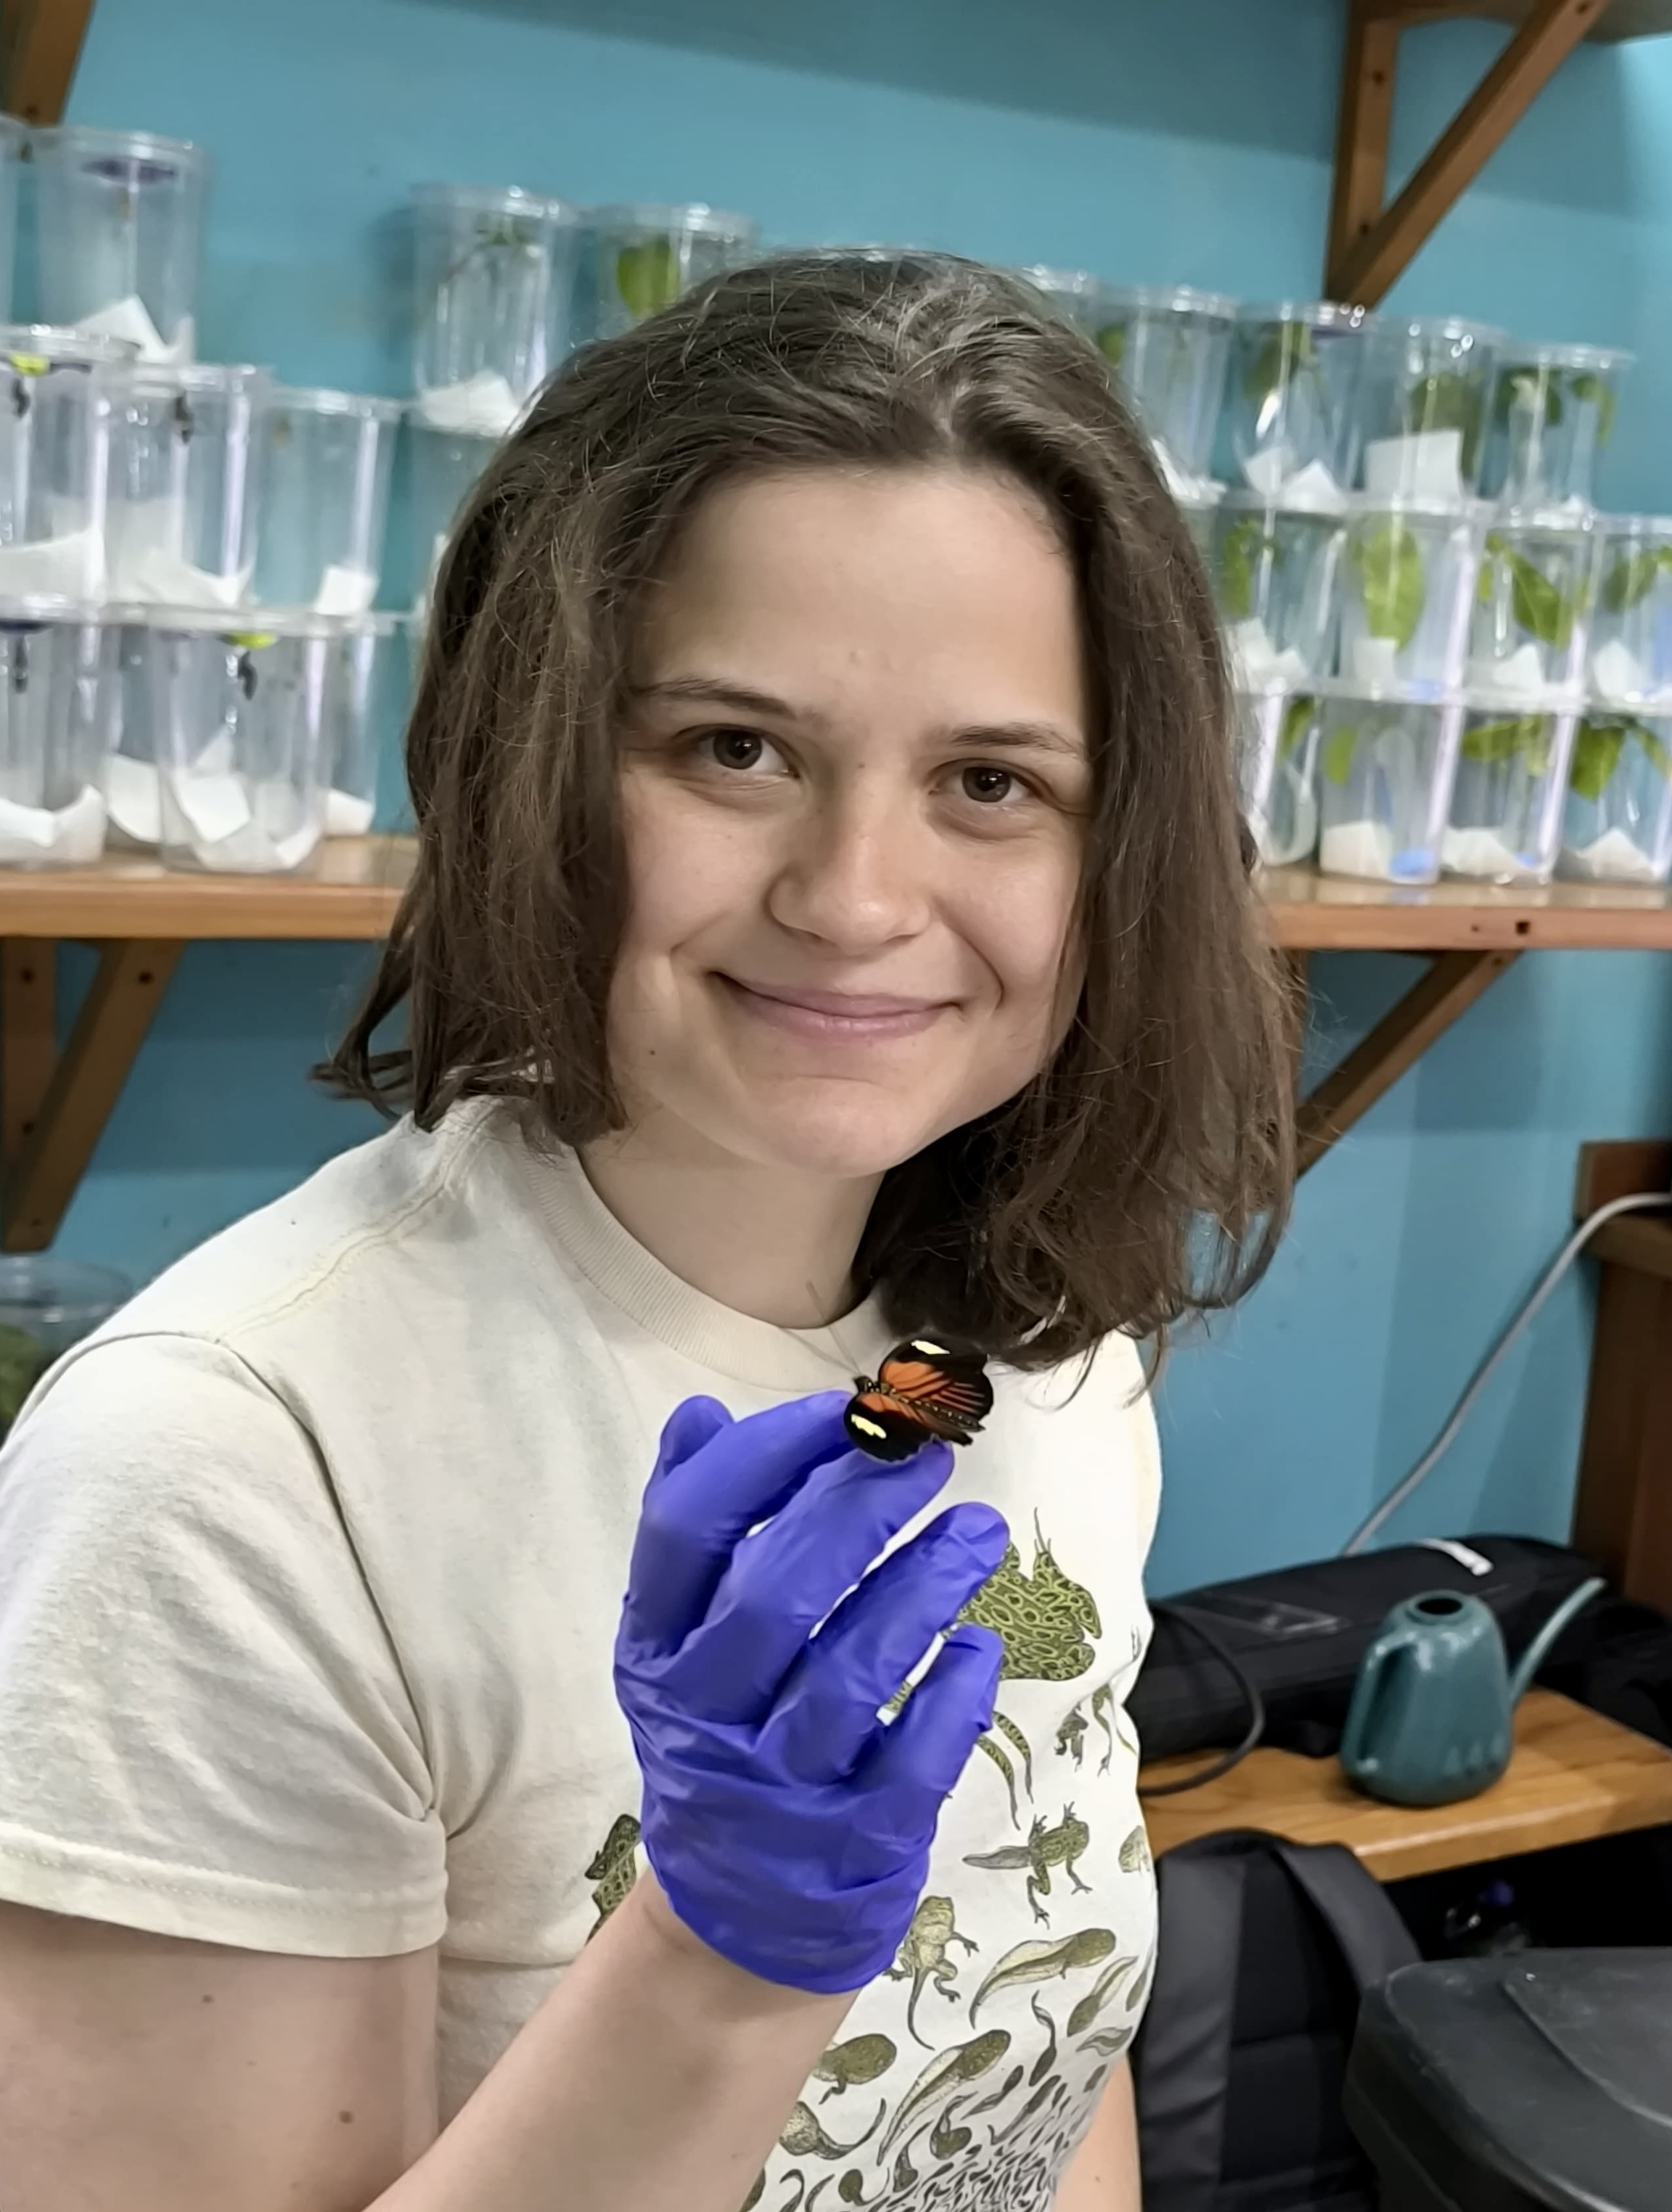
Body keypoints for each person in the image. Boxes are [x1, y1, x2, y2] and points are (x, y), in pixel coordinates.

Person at [0, 251, 1292, 2212]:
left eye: (991, 782)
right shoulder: (231, 1469)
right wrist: (714, 1965)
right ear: (536, 761)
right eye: (734, 749)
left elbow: (1044, 2077)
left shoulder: (1043, 1351)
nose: (857, 898)